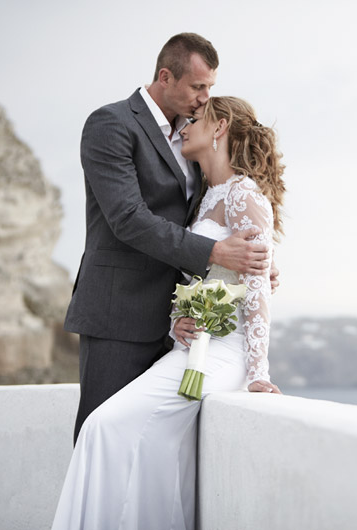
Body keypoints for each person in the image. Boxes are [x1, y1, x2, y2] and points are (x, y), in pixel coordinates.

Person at [51, 96, 284, 530]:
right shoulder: (204, 195)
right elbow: (199, 275)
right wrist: (178, 322)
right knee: (141, 446)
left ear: (219, 128)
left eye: (197, 118)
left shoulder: (243, 193)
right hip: (188, 347)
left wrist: (257, 372)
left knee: (104, 426)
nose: (186, 125)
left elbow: (255, 293)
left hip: (221, 355)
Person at [64, 33, 278, 443]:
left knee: (152, 447)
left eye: (210, 88)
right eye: (198, 87)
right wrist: (216, 252)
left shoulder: (192, 140)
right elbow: (128, 218)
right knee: (102, 432)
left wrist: (249, 263)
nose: (204, 98)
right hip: (118, 314)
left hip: (180, 327)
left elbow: (213, 212)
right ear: (166, 76)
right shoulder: (111, 124)